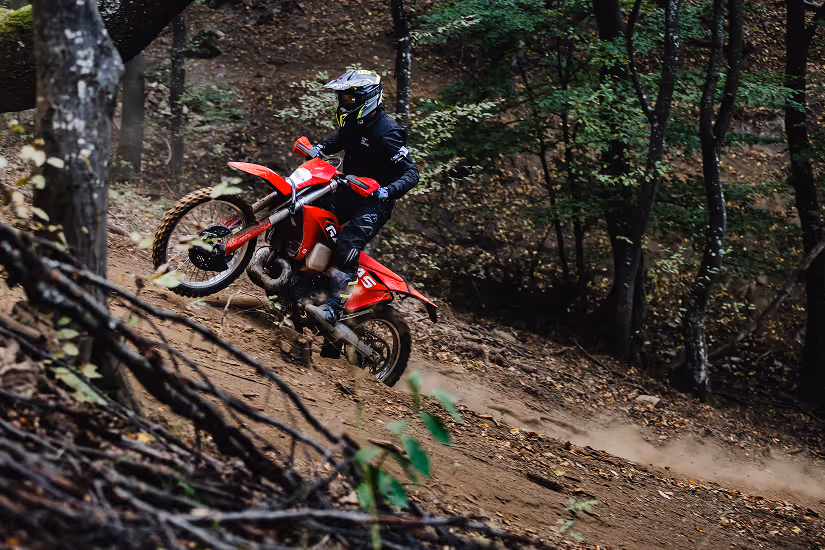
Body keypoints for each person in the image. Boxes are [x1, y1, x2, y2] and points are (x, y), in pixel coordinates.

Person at [305, 69, 419, 327]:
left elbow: (411, 174)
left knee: (347, 240)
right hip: (348, 190)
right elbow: (342, 140)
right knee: (311, 211)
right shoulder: (356, 122)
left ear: (366, 98)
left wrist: (386, 191)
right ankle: (305, 278)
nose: (344, 101)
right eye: (342, 97)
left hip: (374, 203)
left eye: (349, 98)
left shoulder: (387, 132)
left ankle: (334, 308)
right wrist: (321, 148)